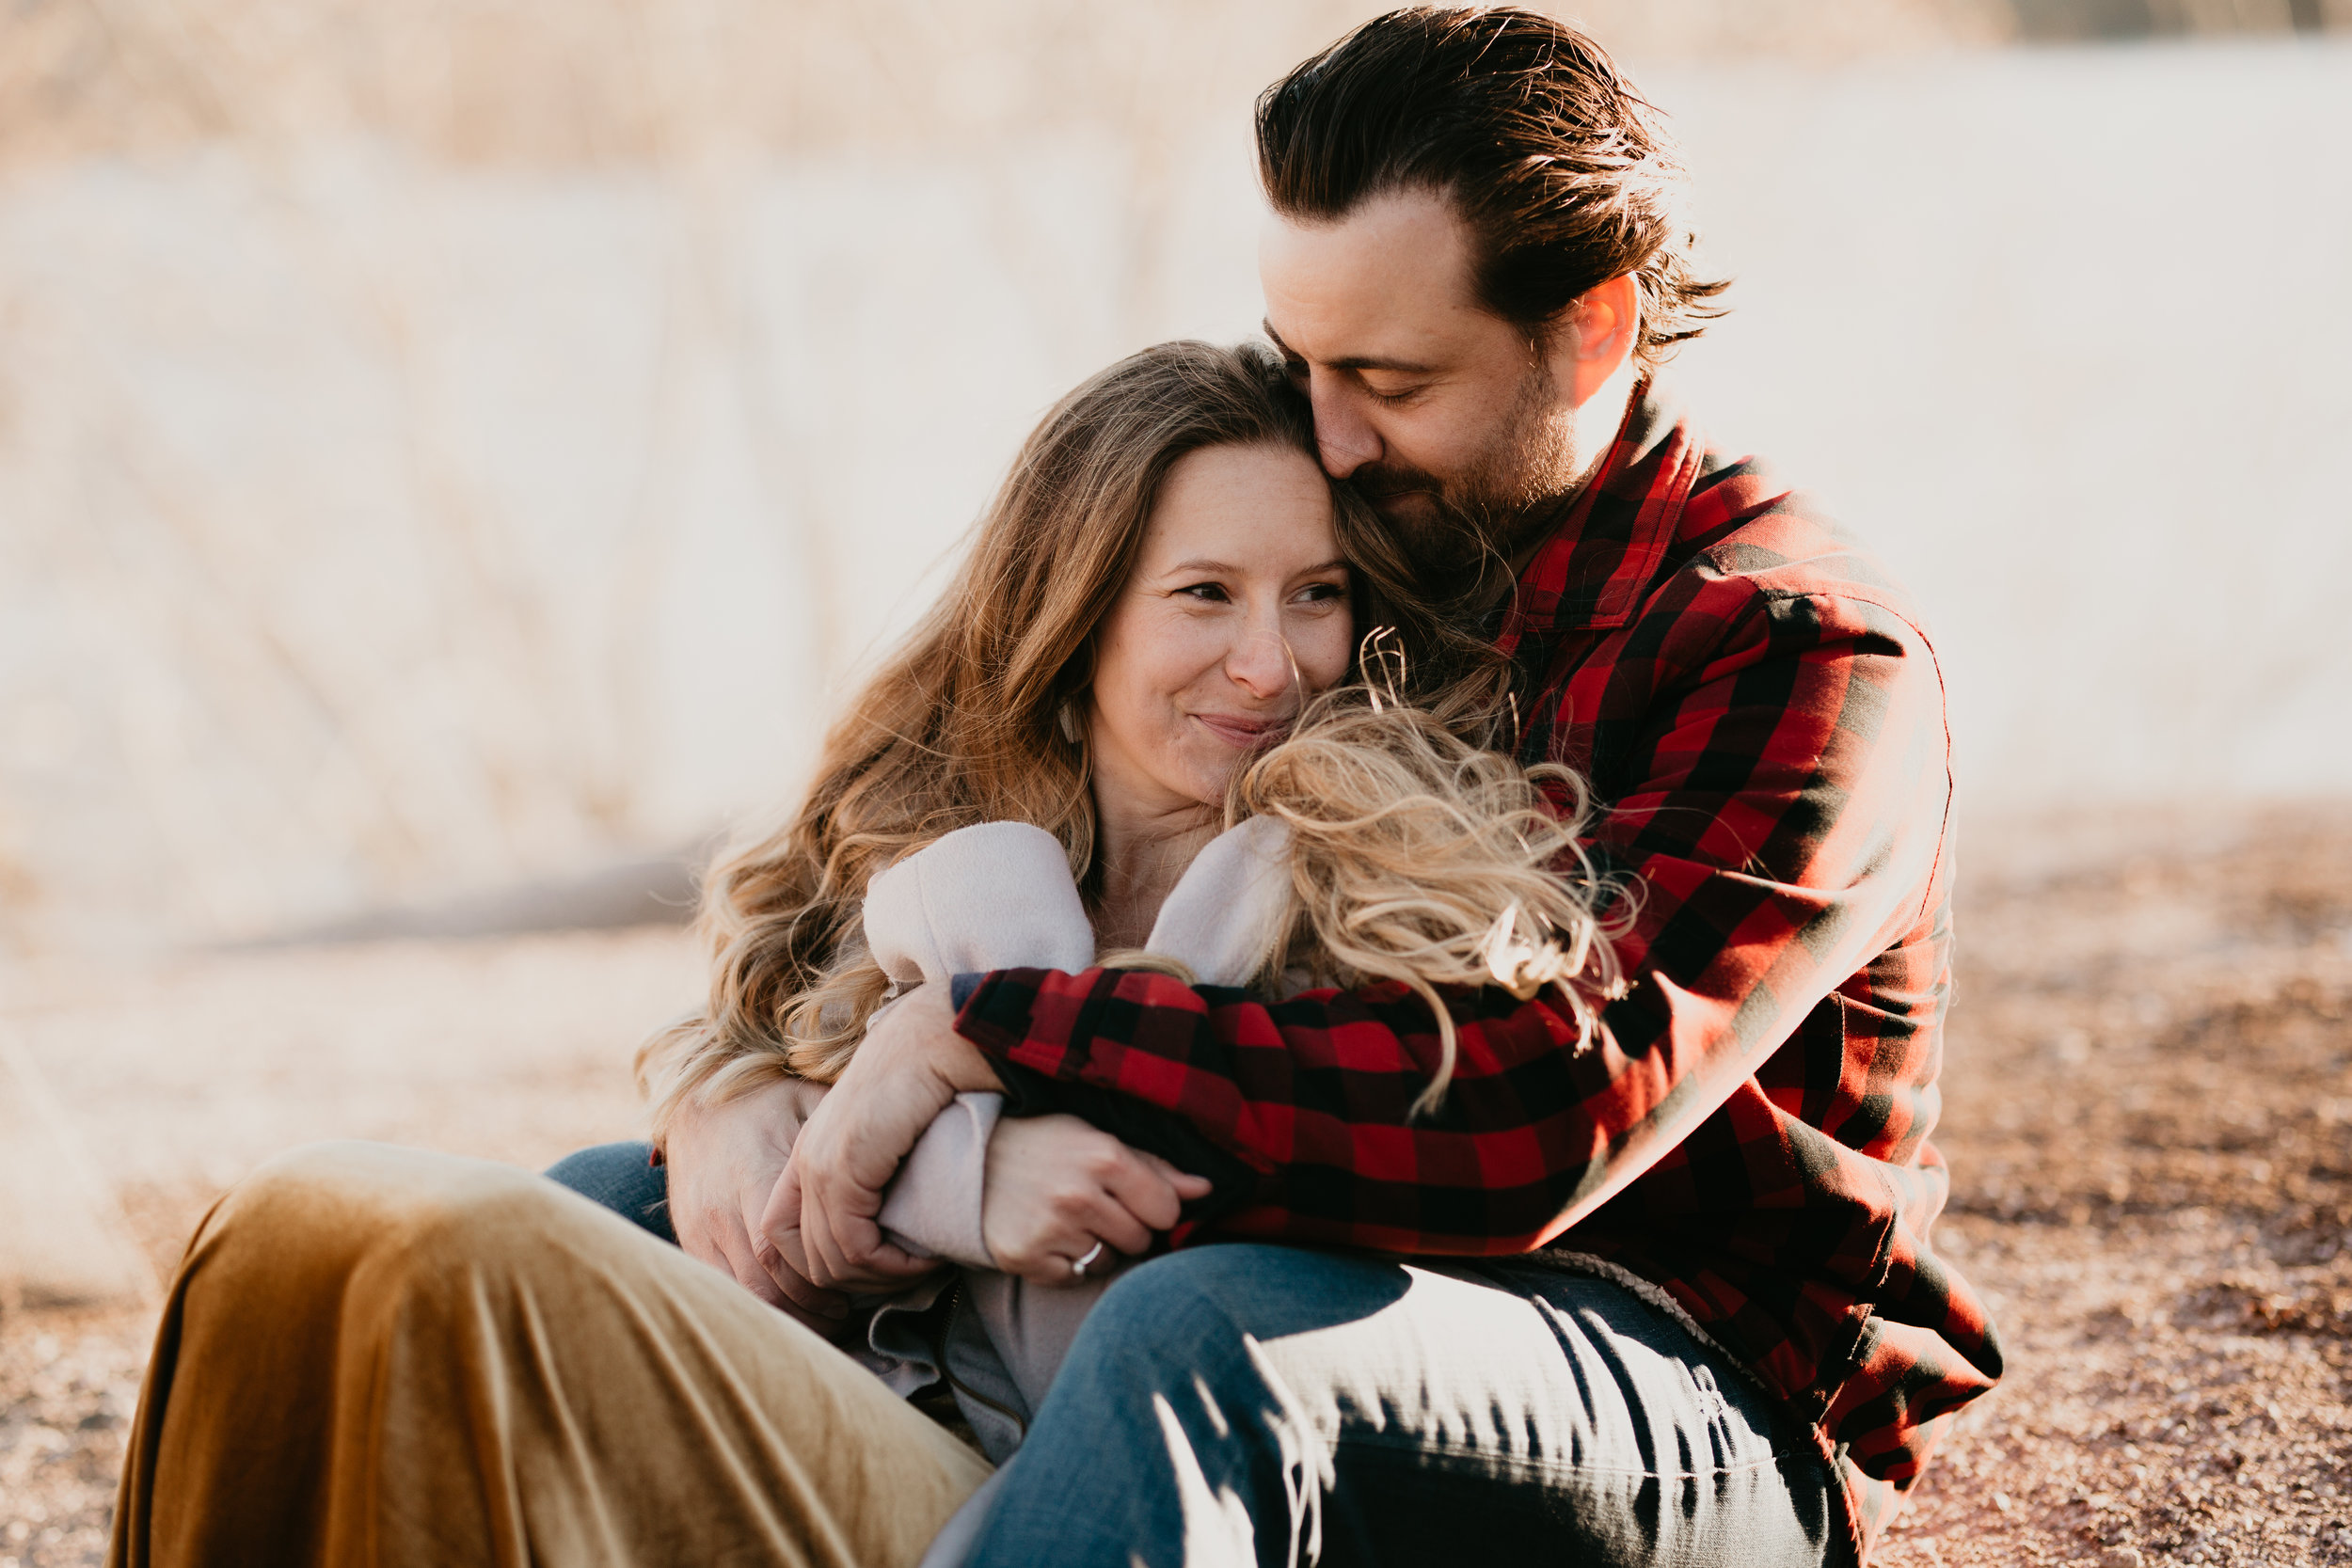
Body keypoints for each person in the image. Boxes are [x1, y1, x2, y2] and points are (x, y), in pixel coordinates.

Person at [709, 8, 2001, 1566]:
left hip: (1689, 1383)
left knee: (1204, 1344)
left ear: (1590, 329)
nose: (1326, 431)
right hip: (1306, 1267)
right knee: (619, 1220)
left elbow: (1546, 1112)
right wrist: (721, 1093)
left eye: (1384, 374)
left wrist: (978, 1032)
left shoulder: (1797, 651)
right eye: (1299, 359)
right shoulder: (1374, 542)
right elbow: (944, 768)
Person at [106, 340, 1632, 1568]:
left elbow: (1201, 1193)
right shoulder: (947, 849)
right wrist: (726, 1093)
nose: (1269, 662)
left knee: (493, 1244)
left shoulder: (1374, 871)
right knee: (407, 1220)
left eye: (1317, 596)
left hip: (1124, 1476)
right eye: (1204, 595)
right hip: (894, 1405)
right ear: (1077, 613)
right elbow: (772, 1094)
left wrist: (932, 1164)